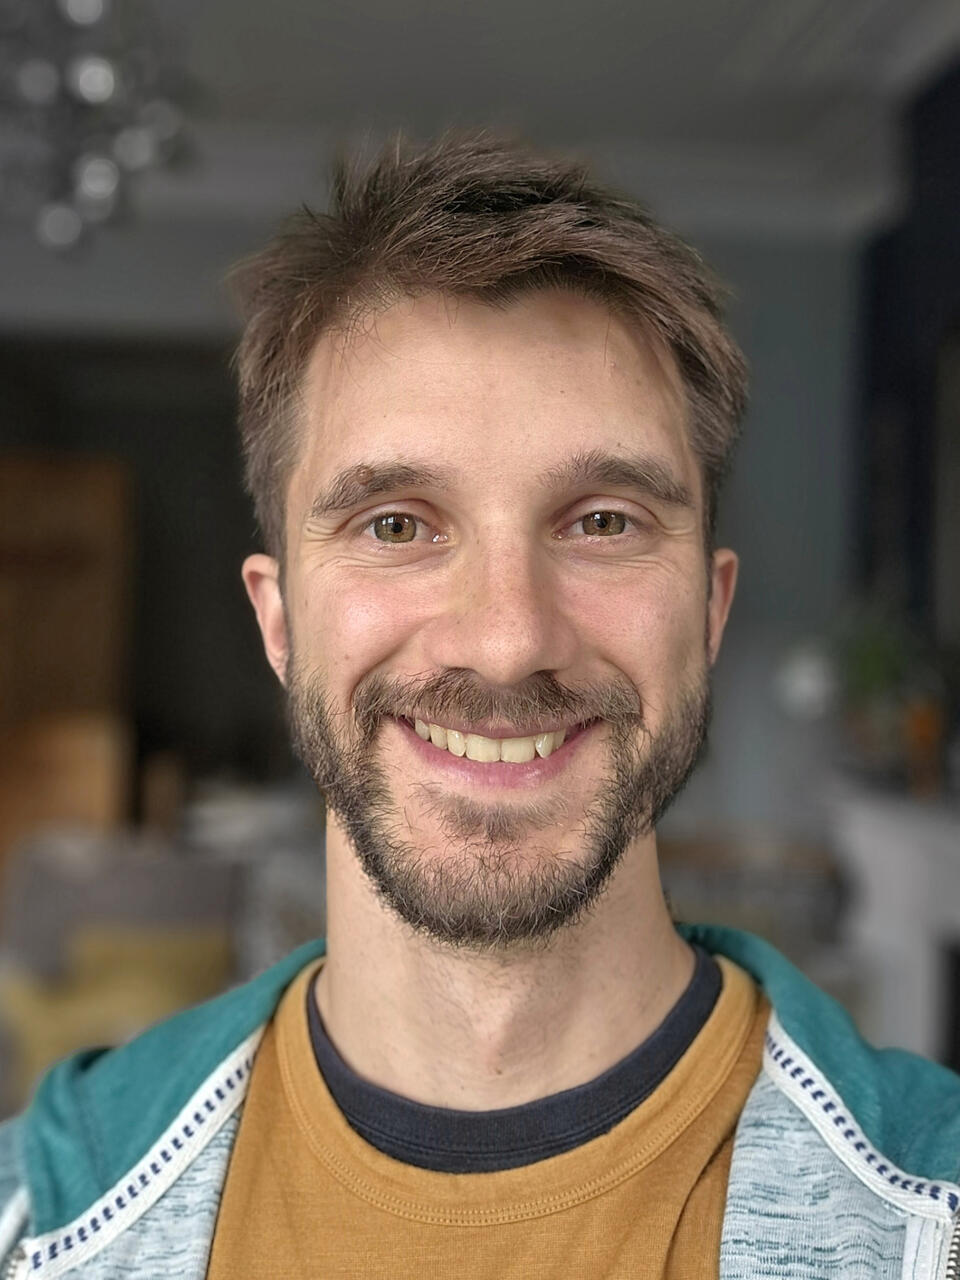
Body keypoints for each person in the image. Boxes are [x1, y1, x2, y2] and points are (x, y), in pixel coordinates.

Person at [1, 133, 959, 1280]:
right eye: (397, 524)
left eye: (602, 521)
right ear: (279, 618)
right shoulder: (37, 1219)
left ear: (709, 612)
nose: (507, 641)